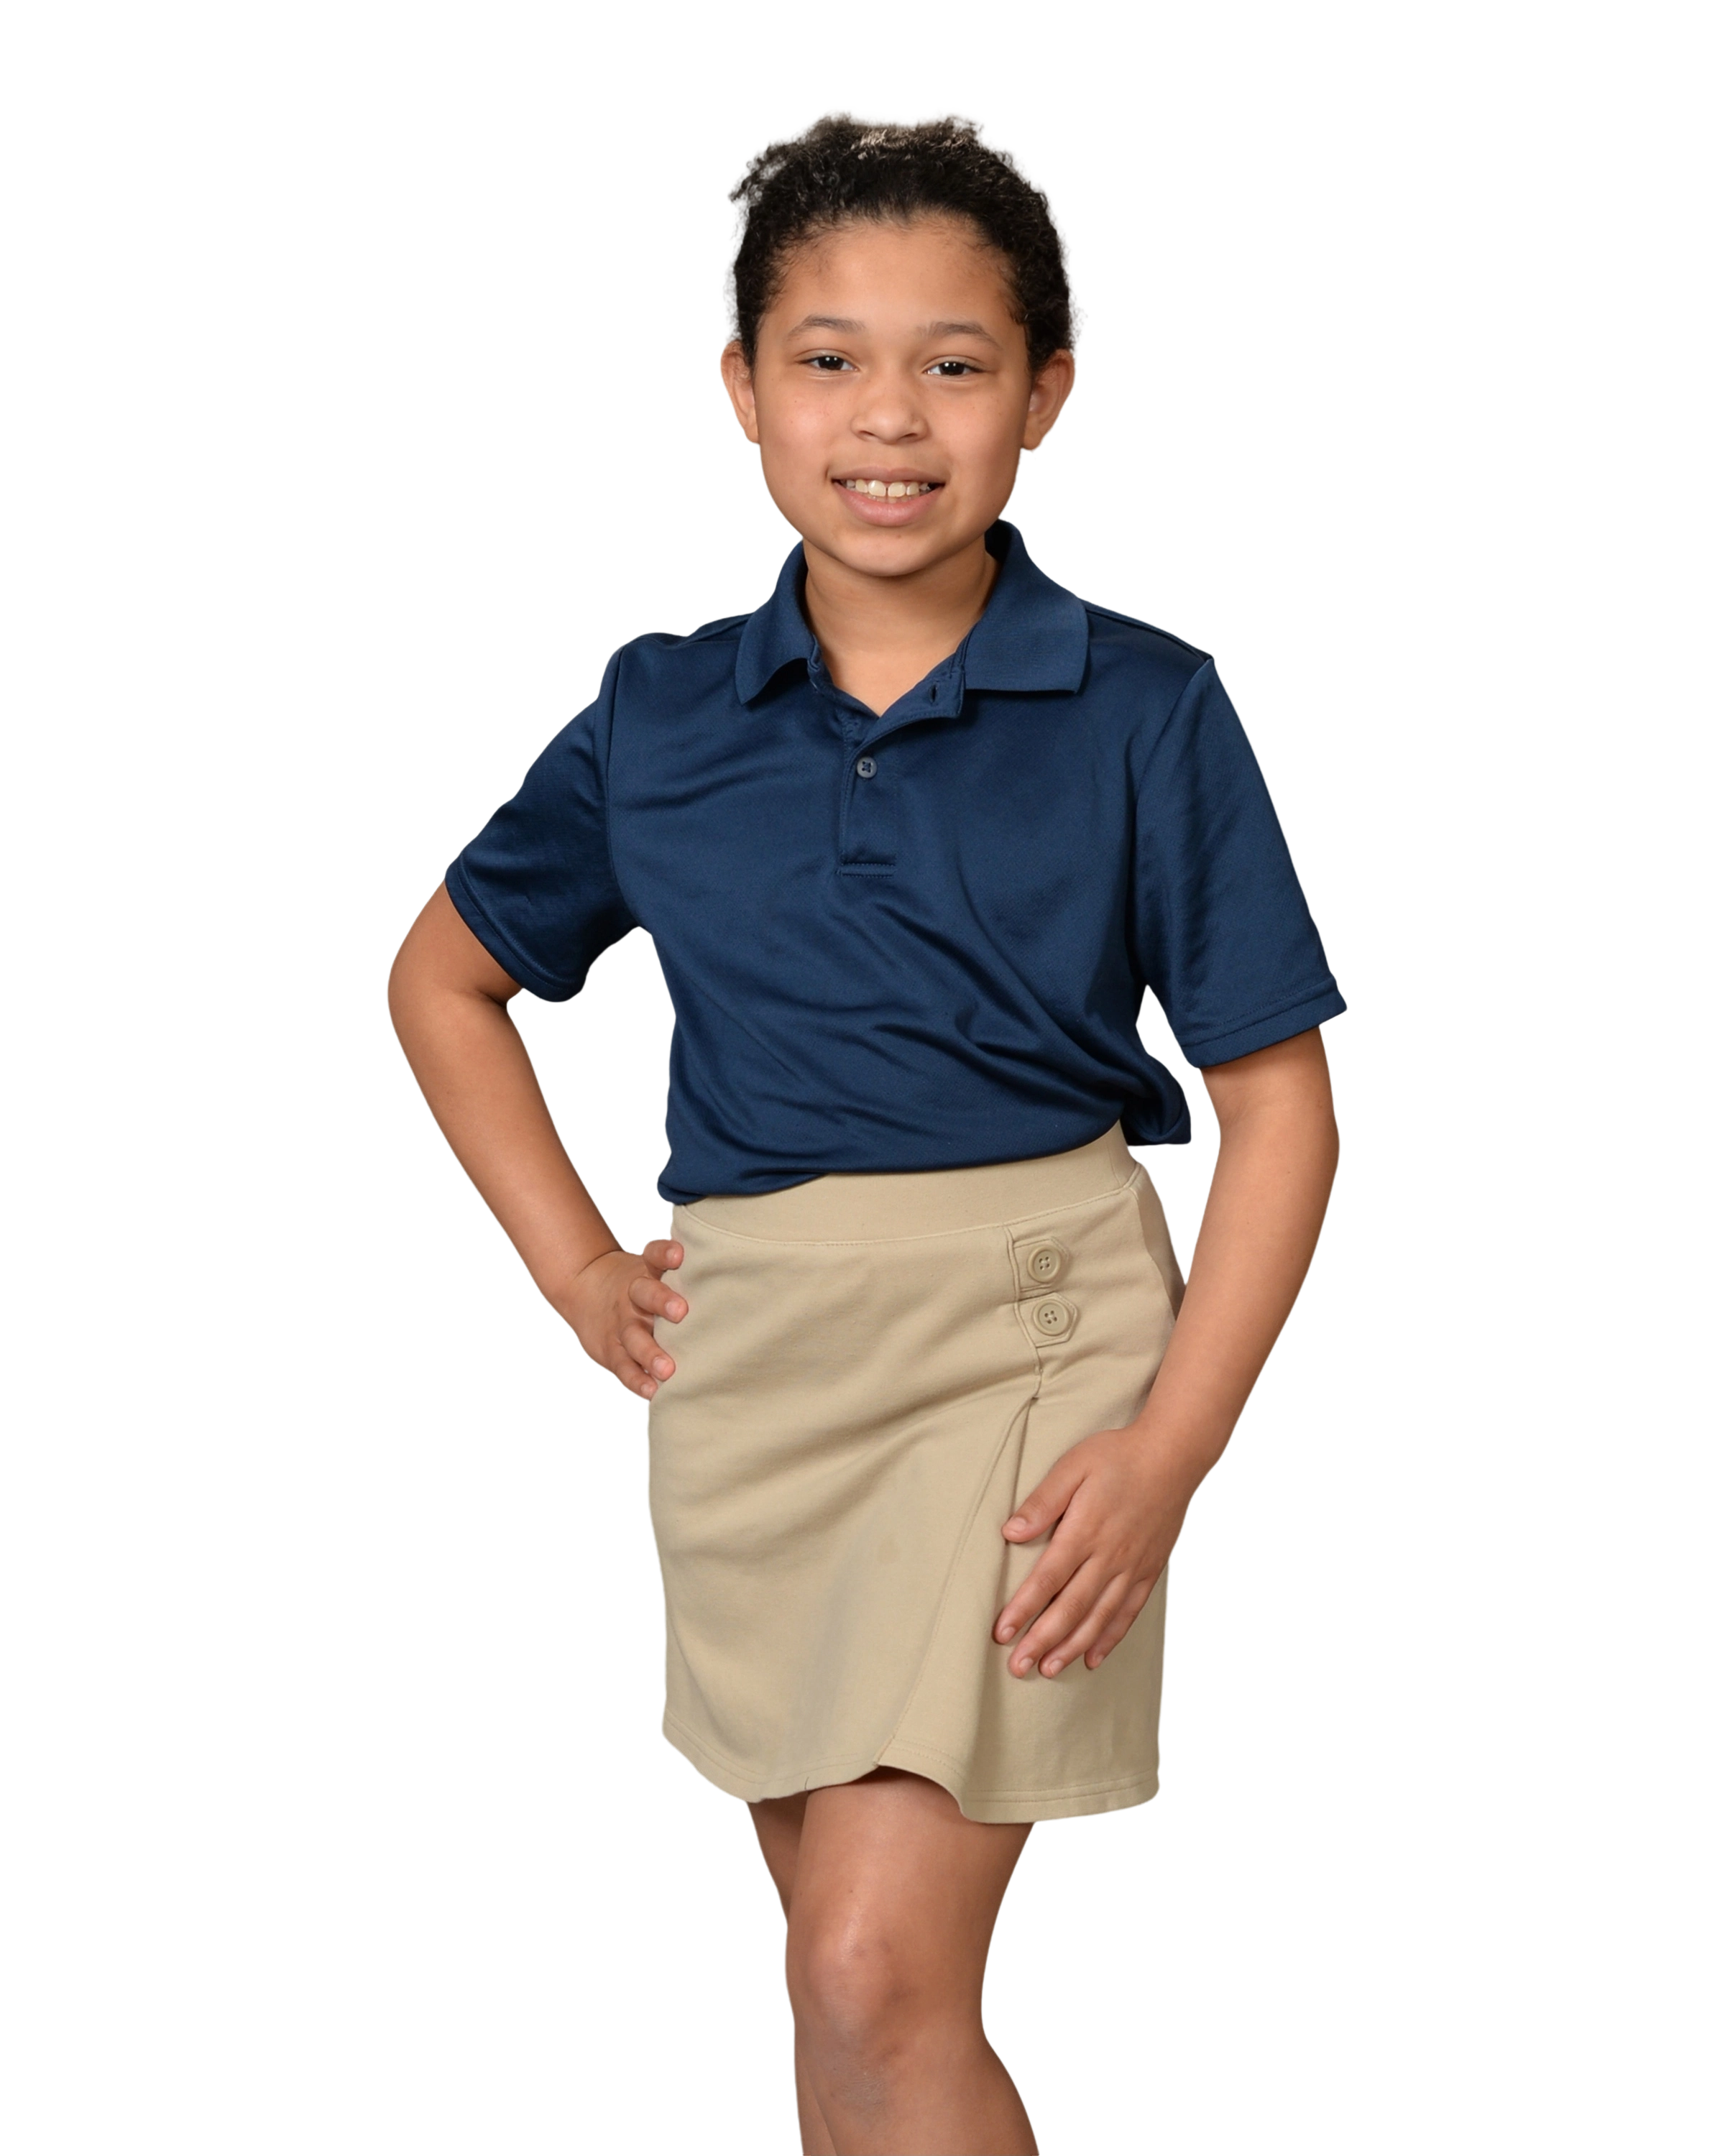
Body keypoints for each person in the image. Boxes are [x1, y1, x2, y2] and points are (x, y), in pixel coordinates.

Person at [386, 103, 1349, 2156]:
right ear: (744, 387)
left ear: (1047, 394)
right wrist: (576, 1267)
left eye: (955, 361)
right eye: (828, 357)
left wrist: (1171, 1449)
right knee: (841, 2005)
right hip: (756, 1372)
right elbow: (441, 984)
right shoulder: (659, 712)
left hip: (1031, 1350)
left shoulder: (1149, 705)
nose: (888, 417)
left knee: (868, 1978)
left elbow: (1281, 1106)